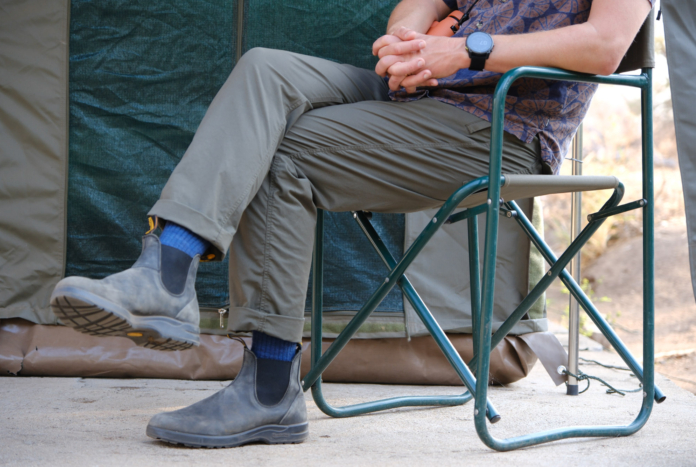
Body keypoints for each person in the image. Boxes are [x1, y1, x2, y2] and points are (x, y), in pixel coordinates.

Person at [49, 0, 651, 449]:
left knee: (283, 151)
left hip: (500, 129)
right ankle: (167, 269)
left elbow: (605, 44)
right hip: (422, 95)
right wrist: (409, 42)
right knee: (265, 70)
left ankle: (266, 384)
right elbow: (418, 6)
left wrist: (467, 50)